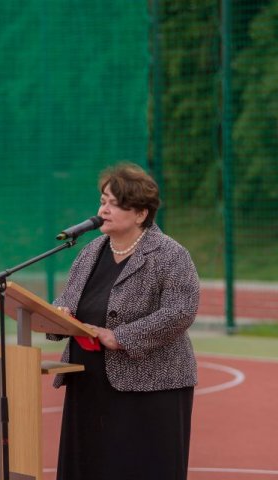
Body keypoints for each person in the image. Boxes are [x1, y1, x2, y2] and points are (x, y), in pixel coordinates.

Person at [49, 162, 200, 480]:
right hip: (88, 381)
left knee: (138, 467)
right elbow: (70, 299)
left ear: (141, 213)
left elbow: (181, 311)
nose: (104, 209)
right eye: (103, 201)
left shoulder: (169, 255)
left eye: (114, 203)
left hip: (150, 387)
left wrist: (121, 337)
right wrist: (57, 314)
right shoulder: (91, 251)